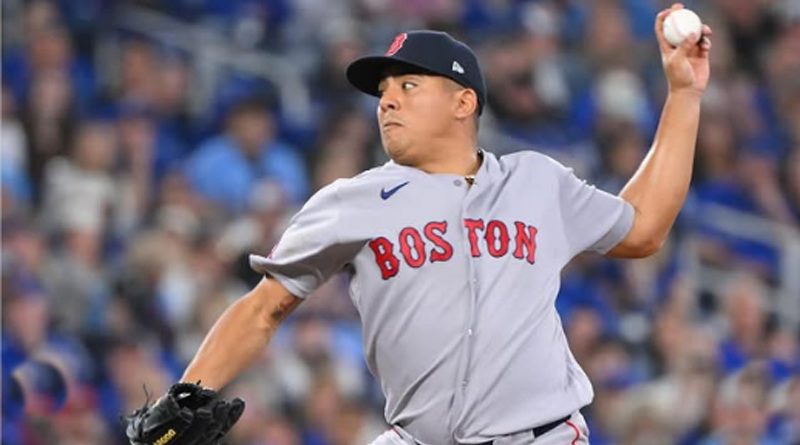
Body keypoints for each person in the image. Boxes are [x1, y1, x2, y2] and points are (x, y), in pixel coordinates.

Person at [171, 4, 712, 444]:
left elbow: (642, 228)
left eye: (407, 86)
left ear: (463, 102)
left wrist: (684, 95)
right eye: (383, 91)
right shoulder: (351, 201)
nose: (386, 101)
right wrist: (186, 395)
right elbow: (262, 308)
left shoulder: (535, 180)